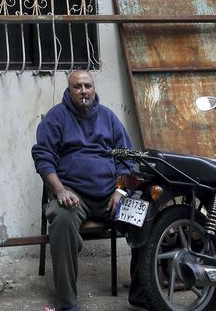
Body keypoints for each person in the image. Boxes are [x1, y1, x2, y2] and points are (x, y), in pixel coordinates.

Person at [32, 69, 145, 311]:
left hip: (110, 196)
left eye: (88, 86)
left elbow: (128, 159)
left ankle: (141, 292)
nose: (83, 91)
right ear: (69, 90)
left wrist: (120, 191)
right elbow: (43, 158)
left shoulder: (109, 118)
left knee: (145, 217)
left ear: (94, 88)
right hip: (74, 196)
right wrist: (60, 190)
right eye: (77, 87)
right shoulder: (56, 118)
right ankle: (68, 302)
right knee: (61, 221)